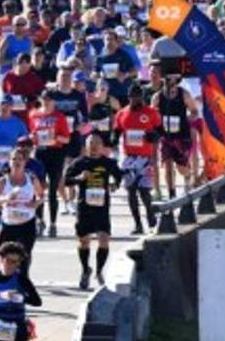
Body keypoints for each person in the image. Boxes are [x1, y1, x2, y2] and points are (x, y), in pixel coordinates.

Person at [64, 134, 122, 289]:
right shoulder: (80, 162)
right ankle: (85, 270)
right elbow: (66, 180)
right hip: (85, 207)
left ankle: (99, 270)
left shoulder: (108, 162)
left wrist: (114, 185)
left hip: (102, 207)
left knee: (104, 239)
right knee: (84, 241)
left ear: (102, 146)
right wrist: (79, 178)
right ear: (86, 146)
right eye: (91, 143)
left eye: (97, 143)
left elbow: (118, 176)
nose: (94, 146)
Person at [113, 84, 162, 235]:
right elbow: (116, 132)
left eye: (139, 97)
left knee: (144, 191)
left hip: (145, 157)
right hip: (128, 158)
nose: (136, 100)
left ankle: (150, 217)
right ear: (129, 98)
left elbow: (160, 130)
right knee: (130, 191)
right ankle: (137, 223)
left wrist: (154, 136)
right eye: (133, 97)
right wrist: (111, 141)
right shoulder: (122, 114)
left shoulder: (151, 113)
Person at [0, 151, 45, 276]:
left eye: (20, 159)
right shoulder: (3, 181)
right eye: (14, 159)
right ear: (9, 162)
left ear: (25, 162)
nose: (17, 162)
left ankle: (23, 280)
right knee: (7, 258)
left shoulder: (31, 179)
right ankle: (9, 280)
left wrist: (35, 203)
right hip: (9, 224)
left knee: (23, 256)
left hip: (27, 223)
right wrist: (6, 199)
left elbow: (41, 196)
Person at [30, 91, 73, 237]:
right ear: (40, 100)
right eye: (44, 99)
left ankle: (53, 224)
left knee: (53, 190)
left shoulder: (59, 117)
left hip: (55, 153)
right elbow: (32, 134)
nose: (46, 102)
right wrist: (33, 137)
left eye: (49, 100)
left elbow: (67, 139)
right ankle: (40, 221)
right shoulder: (34, 115)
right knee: (39, 189)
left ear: (54, 102)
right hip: (40, 152)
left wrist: (55, 137)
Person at [152, 75, 201, 199]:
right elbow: (152, 114)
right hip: (165, 135)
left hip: (181, 135)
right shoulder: (157, 97)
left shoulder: (184, 94)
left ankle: (187, 178)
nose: (171, 86)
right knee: (167, 165)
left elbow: (194, 111)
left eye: (173, 82)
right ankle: (171, 194)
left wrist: (188, 118)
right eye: (168, 81)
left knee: (181, 168)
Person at [0, 96, 31, 187]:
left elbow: (26, 140)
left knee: (8, 188)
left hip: (11, 162)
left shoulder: (18, 122)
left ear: (12, 107)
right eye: (2, 104)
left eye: (8, 105)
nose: (5, 107)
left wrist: (20, 146)